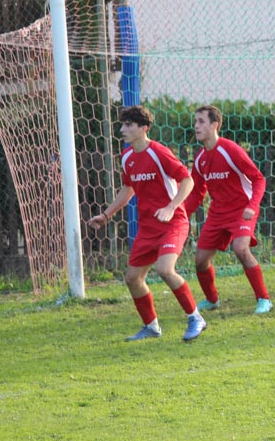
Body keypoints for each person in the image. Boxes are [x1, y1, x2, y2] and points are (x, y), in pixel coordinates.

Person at [87, 105, 206, 342]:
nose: (122, 130)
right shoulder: (127, 157)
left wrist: (171, 207)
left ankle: (195, 318)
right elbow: (128, 189)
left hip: (173, 222)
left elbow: (188, 180)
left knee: (165, 269)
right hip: (148, 227)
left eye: (128, 125)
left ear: (144, 128)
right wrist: (106, 215)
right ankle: (151, 326)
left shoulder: (159, 153)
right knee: (132, 278)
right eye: (122, 125)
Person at [185, 105, 272, 314]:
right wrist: (179, 214)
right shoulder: (200, 158)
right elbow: (196, 193)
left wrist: (252, 206)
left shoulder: (230, 149)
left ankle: (264, 299)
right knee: (200, 261)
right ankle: (212, 300)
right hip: (217, 213)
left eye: (201, 121)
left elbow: (258, 179)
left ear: (215, 125)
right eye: (195, 122)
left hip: (242, 210)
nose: (196, 126)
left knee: (241, 249)